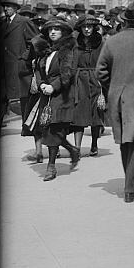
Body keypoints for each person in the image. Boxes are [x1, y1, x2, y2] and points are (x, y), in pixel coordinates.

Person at [95, 3, 134, 203]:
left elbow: (100, 71)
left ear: (125, 21)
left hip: (116, 95)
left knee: (123, 140)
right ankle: (131, 188)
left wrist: (112, 85)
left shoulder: (112, 41)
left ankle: (129, 184)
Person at [37, 17, 81, 180]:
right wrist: (42, 84)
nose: (53, 32)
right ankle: (73, 150)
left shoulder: (67, 50)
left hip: (62, 95)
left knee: (54, 130)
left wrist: (52, 86)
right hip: (46, 95)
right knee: (48, 129)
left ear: (64, 32)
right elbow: (40, 71)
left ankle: (51, 167)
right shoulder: (46, 51)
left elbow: (67, 74)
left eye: (57, 29)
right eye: (50, 30)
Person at [72, 15, 106, 158]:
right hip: (79, 80)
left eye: (89, 27)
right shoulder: (75, 42)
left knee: (95, 114)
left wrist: (104, 85)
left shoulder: (101, 42)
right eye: (84, 27)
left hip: (95, 80)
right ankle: (77, 148)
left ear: (94, 28)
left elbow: (106, 62)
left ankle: (94, 144)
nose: (86, 29)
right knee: (78, 113)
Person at [0, 0, 36, 121]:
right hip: (4, 65)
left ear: (15, 8)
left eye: (9, 6)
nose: (6, 9)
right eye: (5, 6)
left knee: (22, 96)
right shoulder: (2, 22)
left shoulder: (23, 21)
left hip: (18, 65)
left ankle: (26, 125)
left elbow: (35, 41)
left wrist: (24, 56)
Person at [19, 34, 51, 162]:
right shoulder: (43, 46)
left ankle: (40, 152)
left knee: (40, 121)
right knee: (40, 121)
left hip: (42, 89)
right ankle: (40, 152)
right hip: (40, 89)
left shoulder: (38, 47)